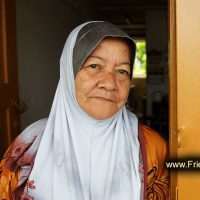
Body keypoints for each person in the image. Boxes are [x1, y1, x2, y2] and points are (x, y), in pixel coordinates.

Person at [0, 21, 169, 200]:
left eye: (122, 71)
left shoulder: (153, 148)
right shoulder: (29, 145)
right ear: (68, 73)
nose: (110, 83)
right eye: (94, 66)